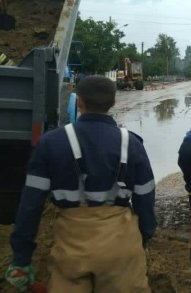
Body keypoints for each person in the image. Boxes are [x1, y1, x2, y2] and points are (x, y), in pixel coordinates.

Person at [6, 76, 156, 292]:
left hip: (71, 249)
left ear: (79, 102)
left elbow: (30, 206)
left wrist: (21, 257)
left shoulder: (50, 143)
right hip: (121, 247)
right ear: (113, 102)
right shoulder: (131, 143)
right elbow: (145, 197)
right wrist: (144, 236)